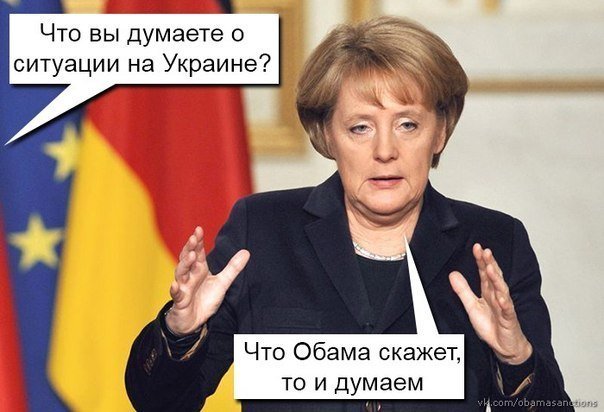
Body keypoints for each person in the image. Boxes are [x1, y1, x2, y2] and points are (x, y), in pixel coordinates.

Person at [125, 16, 572, 411]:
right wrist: (179, 332)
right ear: (327, 135)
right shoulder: (262, 231)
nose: (385, 150)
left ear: (440, 131)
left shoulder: (494, 243)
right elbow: (159, 403)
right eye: (360, 127)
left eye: (408, 125)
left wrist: (516, 359)